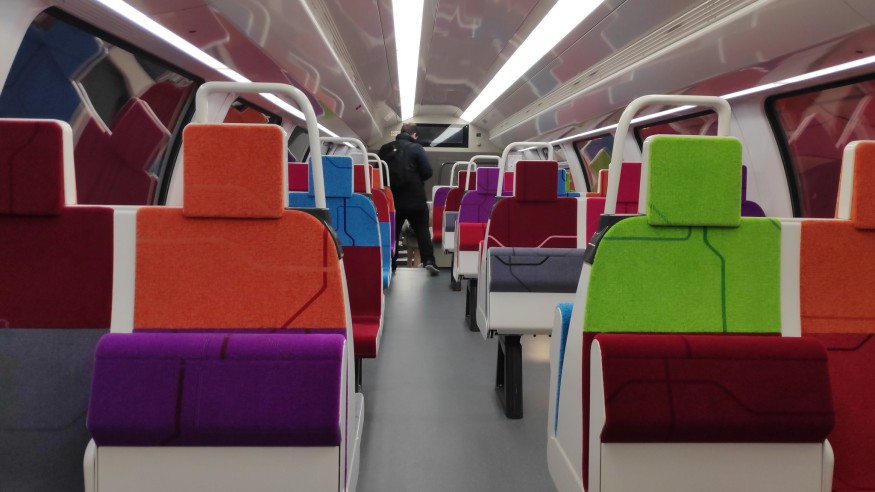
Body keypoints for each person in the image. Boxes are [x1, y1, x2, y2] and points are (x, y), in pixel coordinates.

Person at [379, 123, 439, 275]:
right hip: (415, 198)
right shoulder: (416, 148)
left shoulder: (384, 149)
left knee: (392, 233)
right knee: (422, 230)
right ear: (414, 135)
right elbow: (428, 172)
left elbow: (378, 171)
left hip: (392, 199)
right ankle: (429, 261)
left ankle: (390, 263)